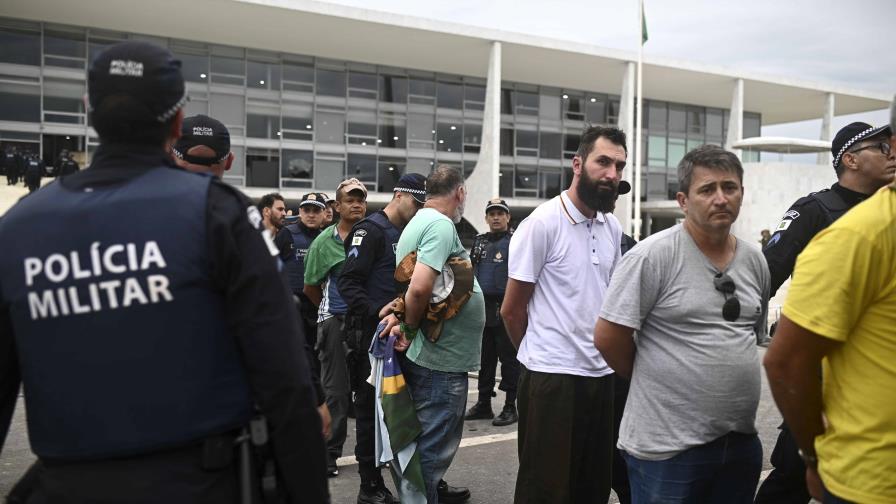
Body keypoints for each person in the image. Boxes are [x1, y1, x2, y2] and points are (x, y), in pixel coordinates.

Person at [0, 40, 328, 503]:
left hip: (65, 484)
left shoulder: (17, 227)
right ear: (176, 122)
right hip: (199, 482)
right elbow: (285, 377)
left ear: (88, 110)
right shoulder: (220, 213)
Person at [595, 145, 769, 504]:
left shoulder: (755, 261)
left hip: (740, 444)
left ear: (741, 193)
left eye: (729, 187)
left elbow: (751, 335)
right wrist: (656, 376)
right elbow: (609, 338)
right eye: (707, 189)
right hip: (667, 451)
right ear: (683, 200)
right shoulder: (651, 256)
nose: (720, 198)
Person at [756, 121, 894, 504]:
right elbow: (765, 275)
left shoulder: (887, 213)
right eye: (880, 147)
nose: (890, 153)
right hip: (817, 372)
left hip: (869, 386)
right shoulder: (816, 210)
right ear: (849, 158)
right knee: (793, 475)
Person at [501, 125, 625, 504]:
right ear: (577, 163)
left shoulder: (612, 225)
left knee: (593, 486)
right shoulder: (542, 223)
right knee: (546, 490)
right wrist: (541, 355)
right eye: (603, 162)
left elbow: (610, 300)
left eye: (619, 166)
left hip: (600, 376)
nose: (612, 174)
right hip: (551, 379)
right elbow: (512, 309)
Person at [380, 164, 483, 504]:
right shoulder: (439, 224)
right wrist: (408, 327)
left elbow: (417, 286)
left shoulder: (418, 223)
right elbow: (421, 288)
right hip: (441, 359)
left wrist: (403, 316)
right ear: (460, 193)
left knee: (423, 445)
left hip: (438, 353)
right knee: (429, 452)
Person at [337, 173, 426, 504]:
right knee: (369, 415)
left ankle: (420, 480)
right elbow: (348, 283)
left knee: (406, 412)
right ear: (400, 195)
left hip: (401, 336)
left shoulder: (407, 232)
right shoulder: (370, 230)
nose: (418, 210)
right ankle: (369, 485)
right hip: (370, 339)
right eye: (416, 203)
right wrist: (377, 309)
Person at [304, 178, 368, 478]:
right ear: (337, 206)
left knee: (370, 391)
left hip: (367, 322)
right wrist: (332, 314)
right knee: (336, 391)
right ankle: (329, 452)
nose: (356, 204)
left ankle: (372, 453)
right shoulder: (322, 242)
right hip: (333, 321)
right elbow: (311, 287)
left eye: (361, 199)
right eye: (350, 199)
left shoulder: (371, 236)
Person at [465, 198, 520, 427]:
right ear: (486, 218)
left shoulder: (516, 241)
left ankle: (510, 406)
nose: (496, 217)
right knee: (485, 360)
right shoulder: (479, 242)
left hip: (507, 309)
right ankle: (484, 403)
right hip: (483, 310)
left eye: (500, 213)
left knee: (509, 361)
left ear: (508, 217)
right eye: (492, 214)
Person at [258, 192, 293, 261]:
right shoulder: (250, 235)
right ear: (266, 211)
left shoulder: (287, 236)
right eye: (280, 209)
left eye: (284, 210)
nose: (284, 213)